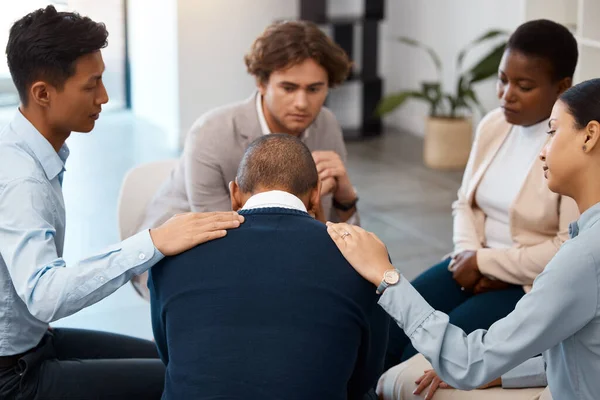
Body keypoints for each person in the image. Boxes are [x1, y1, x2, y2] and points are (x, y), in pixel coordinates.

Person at [0, 6, 243, 400]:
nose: (104, 96)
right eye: (91, 84)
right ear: (42, 93)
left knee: (171, 361)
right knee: (186, 379)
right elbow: (45, 294)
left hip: (32, 342)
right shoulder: (22, 180)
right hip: (14, 378)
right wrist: (154, 242)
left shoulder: (26, 151)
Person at [326, 77, 600, 400]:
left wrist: (387, 276)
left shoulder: (583, 258)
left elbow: (469, 363)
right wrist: (505, 374)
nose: (542, 152)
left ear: (590, 136)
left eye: (552, 131)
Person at [384, 19, 580, 370]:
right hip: (468, 264)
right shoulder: (493, 124)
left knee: (423, 359)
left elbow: (566, 248)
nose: (507, 95)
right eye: (503, 80)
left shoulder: (571, 149)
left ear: (561, 87)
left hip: (527, 286)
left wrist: (485, 264)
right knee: (386, 329)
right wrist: (468, 257)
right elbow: (465, 203)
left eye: (524, 85)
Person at [149, 134, 389, 400]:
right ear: (315, 195)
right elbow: (364, 374)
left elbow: (169, 355)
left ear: (235, 193)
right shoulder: (362, 259)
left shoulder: (171, 254)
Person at [132, 20, 359, 300]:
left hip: (277, 253)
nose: (302, 103)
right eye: (289, 88)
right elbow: (221, 240)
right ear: (261, 82)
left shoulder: (326, 125)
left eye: (314, 89)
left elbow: (338, 237)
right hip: (183, 257)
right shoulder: (212, 133)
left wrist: (345, 197)